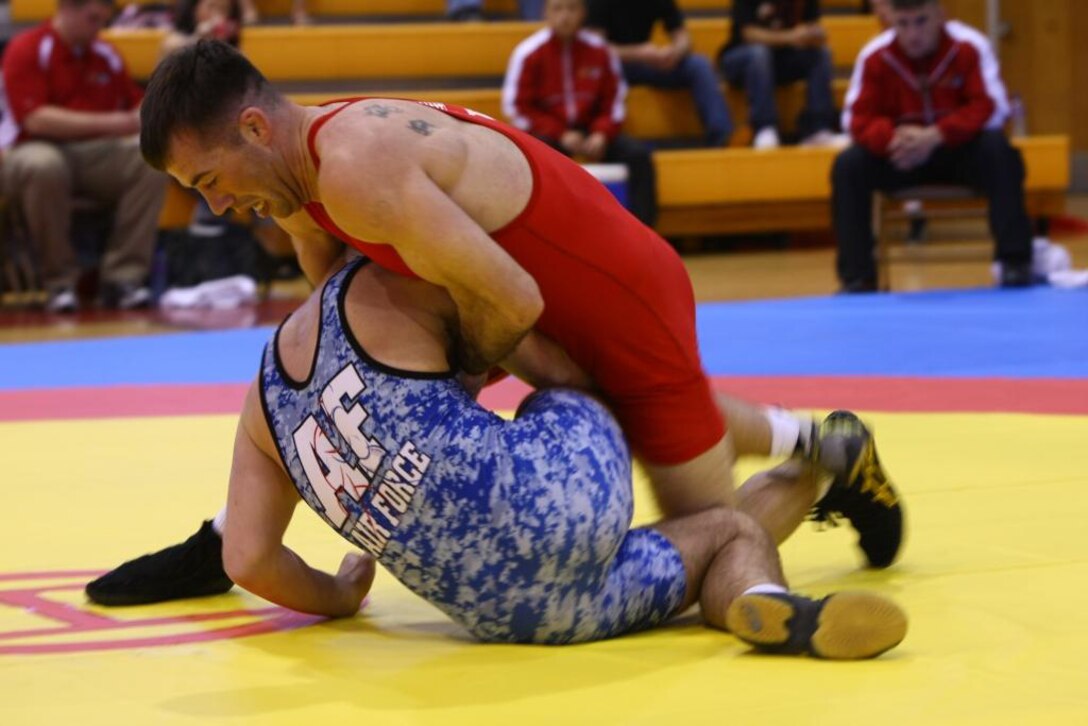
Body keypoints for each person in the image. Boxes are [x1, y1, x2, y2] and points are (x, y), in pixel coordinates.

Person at [85, 40, 902, 605]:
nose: (217, 206)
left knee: (709, 534)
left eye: (209, 180)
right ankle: (811, 439)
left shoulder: (358, 167)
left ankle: (829, 460)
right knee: (576, 403)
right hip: (524, 297)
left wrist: (441, 396)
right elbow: (331, 285)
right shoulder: (297, 175)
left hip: (618, 296)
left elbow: (513, 301)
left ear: (254, 128)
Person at [218, 251, 908, 655]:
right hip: (556, 500)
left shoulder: (260, 403)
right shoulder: (393, 280)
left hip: (508, 613)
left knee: (726, 536)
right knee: (604, 391)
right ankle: (810, 444)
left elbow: (246, 557)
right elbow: (560, 371)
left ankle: (764, 598)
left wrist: (338, 596)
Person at [832, 0, 1033, 292]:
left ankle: (1015, 263)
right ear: (890, 20)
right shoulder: (875, 57)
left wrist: (938, 135)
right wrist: (894, 139)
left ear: (940, 15)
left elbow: (991, 107)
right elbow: (856, 118)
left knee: (999, 151)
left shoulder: (968, 46)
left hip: (957, 153)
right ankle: (857, 276)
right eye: (903, 24)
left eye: (921, 22)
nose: (913, 34)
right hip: (901, 157)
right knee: (849, 165)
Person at [0, 0, 167, 312]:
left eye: (103, 20)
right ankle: (59, 282)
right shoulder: (27, 48)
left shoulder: (106, 55)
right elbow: (35, 119)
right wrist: (119, 123)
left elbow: (139, 107)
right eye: (92, 18)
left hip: (93, 154)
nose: (98, 27)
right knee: (44, 165)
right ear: (66, 9)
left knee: (149, 161)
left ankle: (124, 279)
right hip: (29, 149)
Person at [502, 0, 658, 226]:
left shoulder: (600, 50)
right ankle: (549, 229)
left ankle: (645, 233)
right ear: (545, 13)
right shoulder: (528, 52)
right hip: (549, 134)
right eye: (558, 9)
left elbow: (614, 101)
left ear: (583, 13)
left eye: (572, 8)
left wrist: (601, 133)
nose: (565, 16)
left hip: (593, 130)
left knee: (639, 157)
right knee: (536, 160)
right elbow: (516, 107)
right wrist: (560, 133)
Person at [586, 0, 732, 147]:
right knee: (596, 69)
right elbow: (594, 48)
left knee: (698, 64)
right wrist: (638, 53)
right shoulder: (599, 3)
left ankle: (722, 136)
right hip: (612, 66)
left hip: (648, 62)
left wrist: (674, 53)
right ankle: (603, 137)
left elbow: (683, 37)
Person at [717, 0, 845, 149]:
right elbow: (748, 34)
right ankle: (764, 128)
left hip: (780, 59)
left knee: (821, 54)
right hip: (740, 60)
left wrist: (814, 35)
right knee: (759, 53)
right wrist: (791, 36)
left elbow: (812, 27)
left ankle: (818, 128)